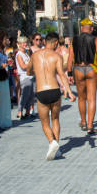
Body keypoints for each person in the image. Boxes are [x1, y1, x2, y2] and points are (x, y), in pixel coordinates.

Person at [28, 32, 76, 160]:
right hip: (54, 90)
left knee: (45, 122)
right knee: (55, 119)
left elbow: (28, 71)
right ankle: (56, 147)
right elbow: (61, 75)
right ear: (55, 43)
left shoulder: (35, 55)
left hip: (41, 91)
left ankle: (51, 142)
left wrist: (37, 70)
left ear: (45, 42)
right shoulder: (56, 56)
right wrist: (69, 92)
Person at [67, 18, 97, 135]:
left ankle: (83, 122)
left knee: (82, 98)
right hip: (91, 69)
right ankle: (91, 126)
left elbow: (70, 57)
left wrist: (69, 73)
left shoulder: (74, 39)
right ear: (91, 29)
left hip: (78, 69)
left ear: (81, 28)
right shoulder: (95, 39)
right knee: (91, 99)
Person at [16, 37, 34, 119]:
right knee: (24, 95)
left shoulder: (26, 53)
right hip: (24, 77)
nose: (25, 44)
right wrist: (31, 65)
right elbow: (22, 66)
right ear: (19, 44)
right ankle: (20, 112)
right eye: (23, 43)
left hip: (31, 76)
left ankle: (27, 112)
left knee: (30, 96)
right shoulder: (19, 54)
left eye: (26, 42)